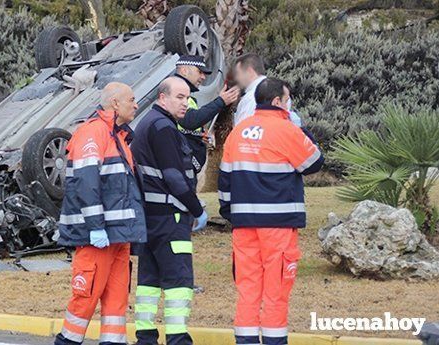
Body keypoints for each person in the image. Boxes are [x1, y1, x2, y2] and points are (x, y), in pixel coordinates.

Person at [218, 78, 324, 345]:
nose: (289, 106)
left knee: (248, 289)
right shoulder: (286, 129)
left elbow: (224, 180)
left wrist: (231, 214)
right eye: (287, 100)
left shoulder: (238, 132)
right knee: (276, 289)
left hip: (244, 225)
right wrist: (300, 127)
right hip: (277, 224)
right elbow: (314, 162)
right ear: (277, 101)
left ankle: (246, 341)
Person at [54, 82, 147, 345]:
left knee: (116, 306)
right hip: (99, 236)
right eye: (132, 99)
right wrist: (96, 226)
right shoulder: (94, 132)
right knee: (84, 301)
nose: (136, 104)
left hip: (117, 237)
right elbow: (86, 182)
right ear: (115, 103)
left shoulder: (116, 135)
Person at [130, 77, 207, 345]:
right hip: (170, 216)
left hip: (150, 217)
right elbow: (174, 178)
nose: (186, 103)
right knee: (179, 282)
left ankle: (146, 338)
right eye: (180, 97)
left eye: (187, 98)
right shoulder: (163, 127)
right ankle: (177, 340)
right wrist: (197, 209)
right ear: (163, 98)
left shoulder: (147, 124)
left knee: (149, 282)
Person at [174, 55, 240, 172]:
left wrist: (198, 137)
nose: (203, 77)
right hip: (180, 168)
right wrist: (220, 102)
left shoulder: (188, 98)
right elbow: (190, 120)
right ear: (184, 71)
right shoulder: (174, 92)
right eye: (199, 72)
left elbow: (186, 127)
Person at [232, 53, 267, 126]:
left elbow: (242, 130)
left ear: (249, 71)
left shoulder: (251, 97)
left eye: (238, 73)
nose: (236, 78)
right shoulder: (279, 91)